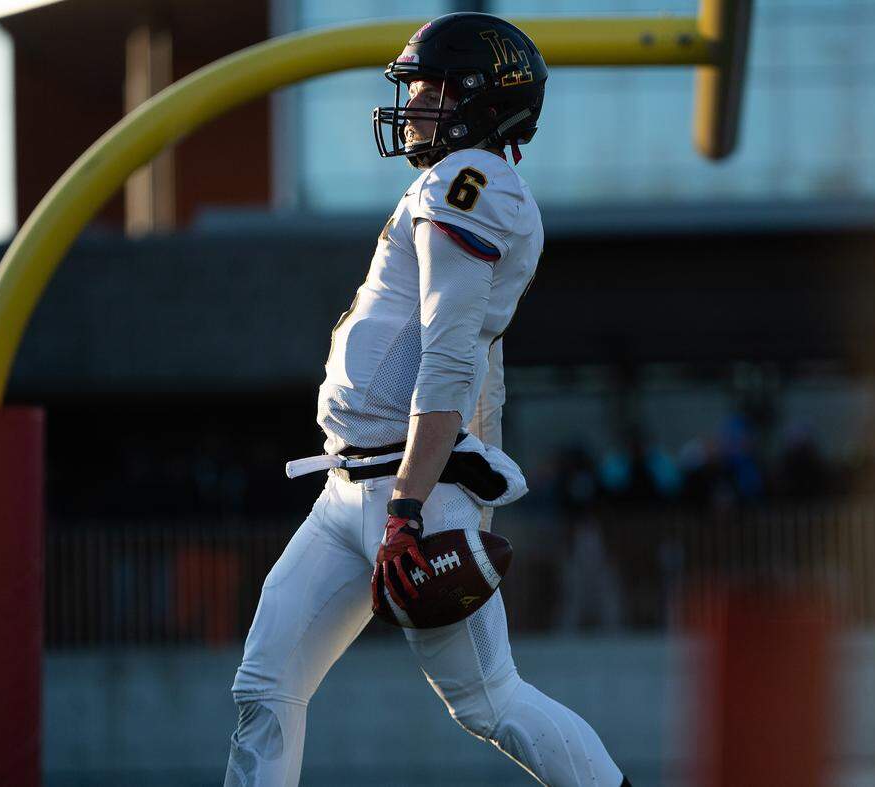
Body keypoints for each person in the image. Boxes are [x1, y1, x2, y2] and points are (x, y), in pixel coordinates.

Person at [224, 13, 630, 787]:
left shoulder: (472, 182)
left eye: (430, 88)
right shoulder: (451, 182)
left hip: (405, 488)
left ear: (480, 97)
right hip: (349, 487)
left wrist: (409, 507)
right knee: (267, 682)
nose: (413, 105)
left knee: (489, 700)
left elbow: (449, 352)